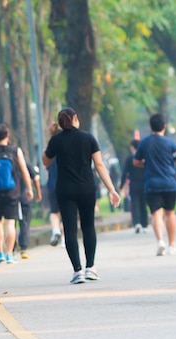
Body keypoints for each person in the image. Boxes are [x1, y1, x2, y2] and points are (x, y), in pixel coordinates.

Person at [43, 107, 121, 284]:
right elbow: (100, 165)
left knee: (69, 229)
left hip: (65, 190)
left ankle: (77, 271)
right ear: (75, 119)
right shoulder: (88, 138)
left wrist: (52, 136)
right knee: (88, 227)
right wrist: (111, 189)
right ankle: (91, 268)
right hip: (87, 188)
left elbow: (46, 161)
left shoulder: (57, 140)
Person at [133, 113, 176, 256]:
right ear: (164, 126)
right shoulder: (171, 142)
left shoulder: (144, 143)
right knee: (170, 213)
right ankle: (171, 245)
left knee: (156, 213)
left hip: (152, 183)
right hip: (170, 182)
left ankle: (160, 242)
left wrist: (147, 163)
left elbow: (136, 161)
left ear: (151, 126)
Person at [0, 123, 34, 265]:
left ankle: (0, 253)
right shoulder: (15, 150)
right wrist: (29, 188)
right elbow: (24, 170)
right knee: (10, 222)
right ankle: (10, 254)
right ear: (8, 135)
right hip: (13, 191)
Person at [120, 140, 148, 233]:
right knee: (143, 204)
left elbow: (125, 173)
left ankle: (137, 223)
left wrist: (121, 186)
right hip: (144, 183)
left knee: (135, 204)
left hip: (134, 184)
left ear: (132, 147)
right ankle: (145, 224)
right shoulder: (144, 158)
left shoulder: (130, 158)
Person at [17, 162, 42, 259]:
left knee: (10, 223)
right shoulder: (27, 163)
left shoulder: (10, 162)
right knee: (25, 223)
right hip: (25, 196)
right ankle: (23, 248)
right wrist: (38, 193)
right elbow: (36, 179)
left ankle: (11, 248)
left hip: (11, 196)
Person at [46, 123, 64, 247]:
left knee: (54, 211)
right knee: (66, 213)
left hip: (52, 185)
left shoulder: (49, 152)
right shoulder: (66, 150)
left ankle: (56, 230)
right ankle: (65, 239)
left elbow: (46, 166)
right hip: (66, 185)